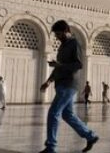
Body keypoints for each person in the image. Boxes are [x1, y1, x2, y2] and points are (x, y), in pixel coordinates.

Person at [39, 20, 99, 153]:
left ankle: (51, 147)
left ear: (66, 31)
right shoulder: (63, 46)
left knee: (54, 113)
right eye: (56, 35)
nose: (57, 37)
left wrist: (60, 66)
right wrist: (49, 81)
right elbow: (59, 66)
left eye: (59, 34)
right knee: (67, 114)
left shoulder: (74, 43)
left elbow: (79, 64)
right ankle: (90, 136)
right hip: (61, 83)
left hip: (69, 84)